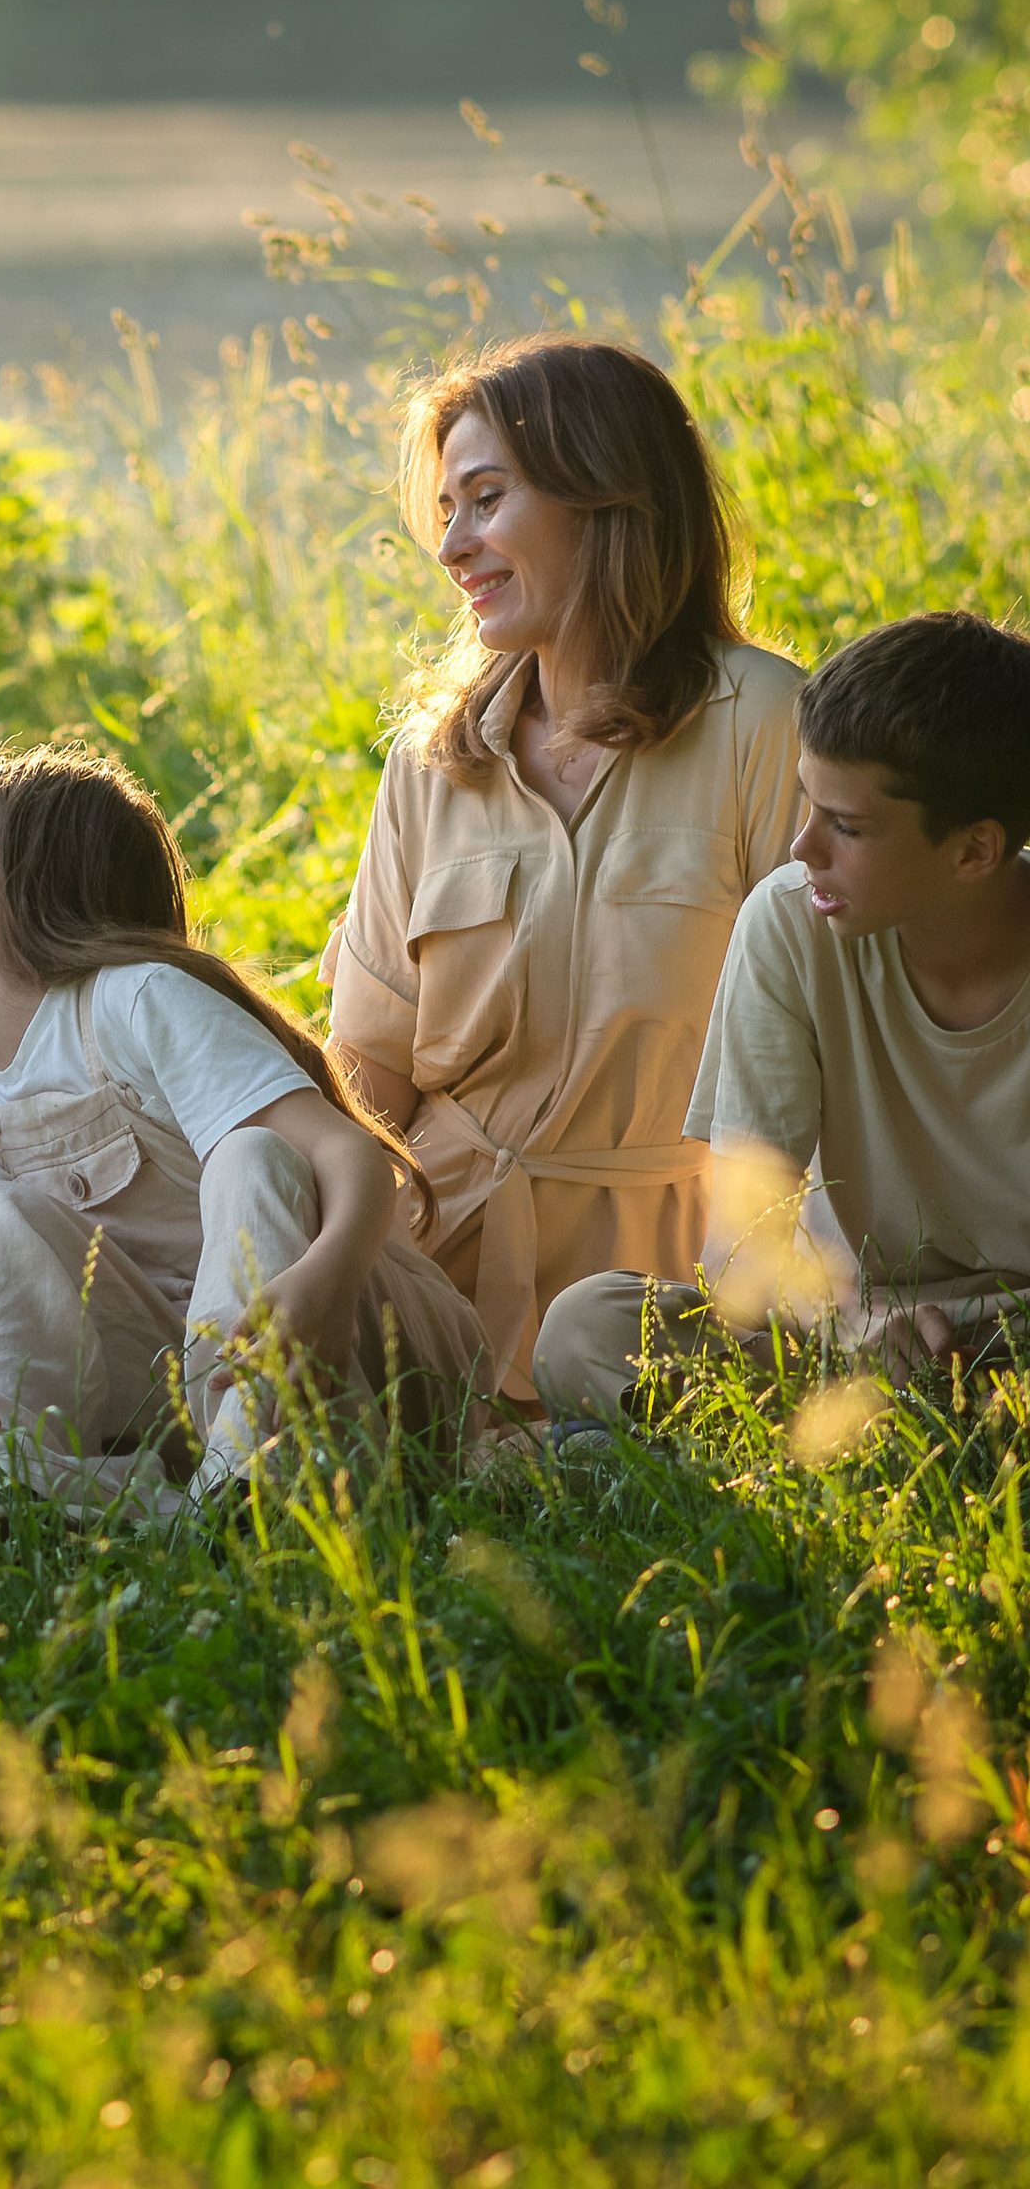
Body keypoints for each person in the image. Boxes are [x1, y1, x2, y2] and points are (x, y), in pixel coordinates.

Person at [321, 334, 803, 1428]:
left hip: (660, 1279)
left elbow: (826, 1046)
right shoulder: (433, 762)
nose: (451, 544)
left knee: (611, 1428)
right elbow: (369, 1073)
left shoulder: (763, 722)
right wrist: (333, 1255)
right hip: (434, 1251)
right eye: (445, 509)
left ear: (605, 495)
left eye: (484, 499)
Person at [0, 743, 489, 1510]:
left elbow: (347, 1153)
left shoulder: (135, 1000)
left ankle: (261, 1483)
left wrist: (325, 1283)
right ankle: (19, 1480)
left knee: (254, 1154)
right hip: (183, 1374)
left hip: (356, 1343)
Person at [536, 612, 1030, 1415]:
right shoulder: (790, 924)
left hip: (1011, 1339)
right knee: (586, 1328)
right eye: (809, 805)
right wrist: (857, 1322)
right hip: (854, 1330)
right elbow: (744, 1242)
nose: (804, 848)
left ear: (974, 850)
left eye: (848, 826)